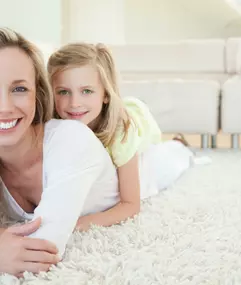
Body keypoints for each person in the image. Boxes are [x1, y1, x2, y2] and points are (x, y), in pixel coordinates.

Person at [0, 28, 119, 277]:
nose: (4, 107)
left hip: (144, 174)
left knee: (171, 159)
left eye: (19, 89)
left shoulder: (72, 139)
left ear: (38, 94)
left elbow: (44, 248)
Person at [47, 43, 195, 230]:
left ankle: (179, 143)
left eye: (87, 91)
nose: (74, 103)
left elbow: (131, 205)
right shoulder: (54, 126)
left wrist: (84, 222)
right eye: (63, 92)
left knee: (165, 161)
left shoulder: (121, 132)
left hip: (141, 127)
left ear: (106, 94)